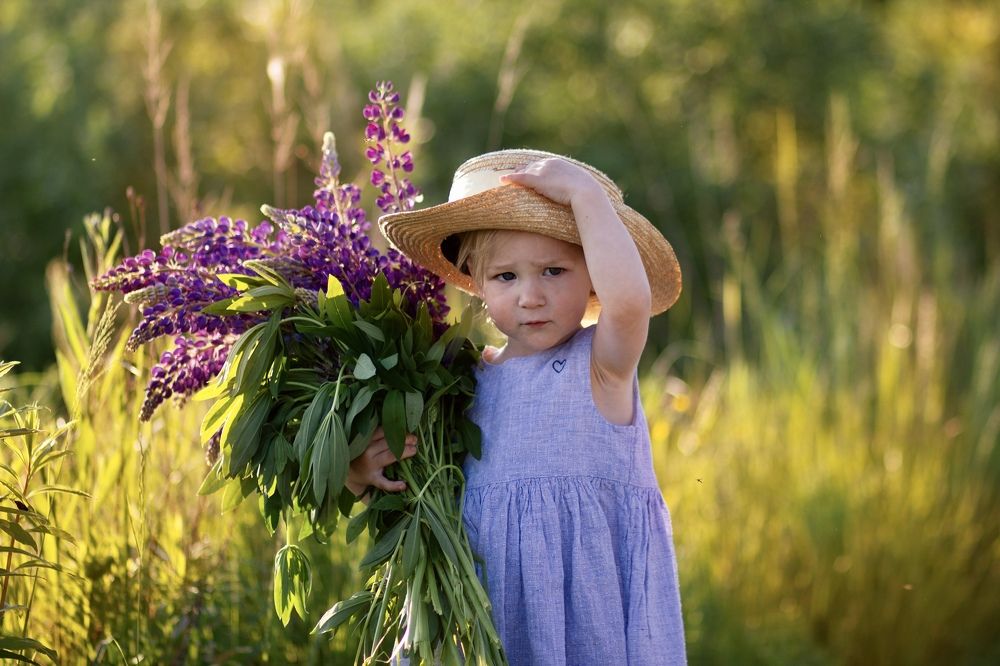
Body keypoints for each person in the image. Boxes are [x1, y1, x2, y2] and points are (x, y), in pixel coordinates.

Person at [349, 148, 686, 665]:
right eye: (506, 277)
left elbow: (630, 303)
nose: (531, 296)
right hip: (489, 619)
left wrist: (585, 197)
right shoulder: (459, 382)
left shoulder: (602, 365)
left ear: (593, 275)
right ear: (476, 282)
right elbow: (416, 492)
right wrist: (360, 474)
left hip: (589, 621)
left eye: (553, 271)